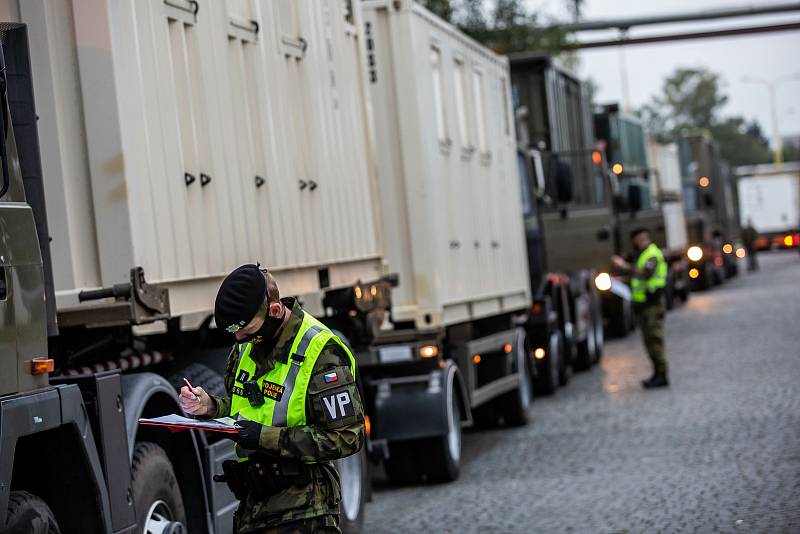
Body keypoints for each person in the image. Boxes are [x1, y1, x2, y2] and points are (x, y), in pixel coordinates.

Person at [179, 264, 365, 533]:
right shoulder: (244, 347)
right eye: (234, 332)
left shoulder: (321, 352)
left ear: (275, 312)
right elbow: (247, 409)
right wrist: (210, 406)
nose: (239, 338)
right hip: (253, 507)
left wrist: (265, 437)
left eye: (245, 330)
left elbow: (347, 436)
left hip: (305, 511)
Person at [612, 228, 669, 389]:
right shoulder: (643, 254)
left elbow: (646, 273)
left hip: (652, 304)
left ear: (640, 239)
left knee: (654, 340)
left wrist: (624, 266)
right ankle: (658, 373)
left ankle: (662, 374)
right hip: (645, 304)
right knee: (649, 341)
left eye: (635, 240)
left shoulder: (652, 254)